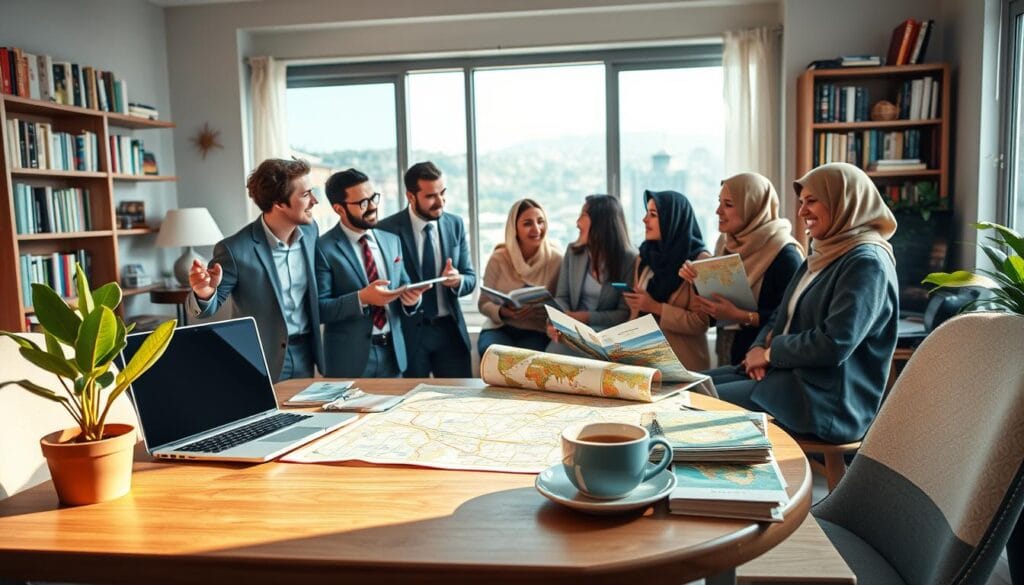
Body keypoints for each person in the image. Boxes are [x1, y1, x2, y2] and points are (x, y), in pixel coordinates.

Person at [709, 162, 899, 444]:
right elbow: (779, 315)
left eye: (812, 201)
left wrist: (771, 354)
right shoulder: (824, 251)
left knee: (696, 402)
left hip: (825, 402)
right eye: (801, 202)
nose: (801, 211)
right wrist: (758, 348)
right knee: (689, 387)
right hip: (790, 379)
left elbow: (835, 343)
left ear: (844, 202)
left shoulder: (867, 262)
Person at [187, 158, 323, 381]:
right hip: (262, 358)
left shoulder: (310, 232)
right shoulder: (234, 250)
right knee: (274, 418)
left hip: (306, 353)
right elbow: (206, 309)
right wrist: (204, 293)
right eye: (306, 194)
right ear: (279, 203)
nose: (314, 201)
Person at [679, 173, 804, 366]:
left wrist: (738, 315)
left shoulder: (785, 254)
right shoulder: (725, 243)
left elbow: (789, 319)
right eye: (719, 202)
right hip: (727, 349)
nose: (718, 211)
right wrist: (697, 280)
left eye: (728, 205)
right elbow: (717, 306)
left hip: (762, 361)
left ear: (754, 208)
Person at [316, 169, 426, 378]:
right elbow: (320, 309)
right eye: (363, 203)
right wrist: (361, 298)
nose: (373, 207)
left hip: (393, 357)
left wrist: (411, 301)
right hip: (348, 362)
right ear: (339, 209)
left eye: (373, 198)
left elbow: (403, 284)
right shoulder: (323, 248)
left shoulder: (392, 241)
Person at [377, 161, 476, 377]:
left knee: (459, 402)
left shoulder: (455, 224)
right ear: (411, 197)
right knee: (412, 404)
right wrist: (404, 297)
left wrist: (458, 280)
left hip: (450, 332)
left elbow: (471, 278)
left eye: (442, 193)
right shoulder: (386, 230)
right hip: (410, 332)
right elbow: (382, 285)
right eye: (431, 196)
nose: (440, 202)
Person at [623, 190, 711, 371]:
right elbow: (638, 313)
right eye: (646, 213)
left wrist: (654, 306)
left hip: (681, 365)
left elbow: (700, 323)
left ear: (672, 219)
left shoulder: (699, 262)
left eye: (653, 215)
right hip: (642, 361)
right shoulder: (645, 256)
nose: (645, 220)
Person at [546, 195, 636, 354]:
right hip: (572, 331)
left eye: (583, 215)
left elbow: (623, 313)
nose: (577, 222)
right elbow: (562, 297)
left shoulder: (629, 258)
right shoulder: (573, 252)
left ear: (601, 223)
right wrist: (558, 322)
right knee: (552, 355)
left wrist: (584, 317)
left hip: (605, 335)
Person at [477, 199, 562, 357]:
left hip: (536, 330)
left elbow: (562, 303)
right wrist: (504, 312)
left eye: (540, 221)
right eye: (527, 223)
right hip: (499, 327)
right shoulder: (499, 257)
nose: (536, 229)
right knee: (491, 353)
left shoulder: (556, 260)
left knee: (523, 361)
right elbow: (483, 303)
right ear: (514, 228)